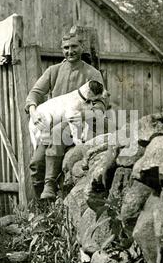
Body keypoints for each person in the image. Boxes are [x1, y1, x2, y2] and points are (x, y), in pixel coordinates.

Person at [25, 34, 106, 200]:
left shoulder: (93, 73)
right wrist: (33, 112)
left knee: (57, 134)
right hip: (52, 122)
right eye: (66, 48)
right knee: (36, 162)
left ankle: (49, 186)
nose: (70, 51)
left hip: (79, 124)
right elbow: (35, 93)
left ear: (81, 47)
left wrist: (84, 115)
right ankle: (43, 209)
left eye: (74, 47)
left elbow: (101, 105)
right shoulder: (53, 71)